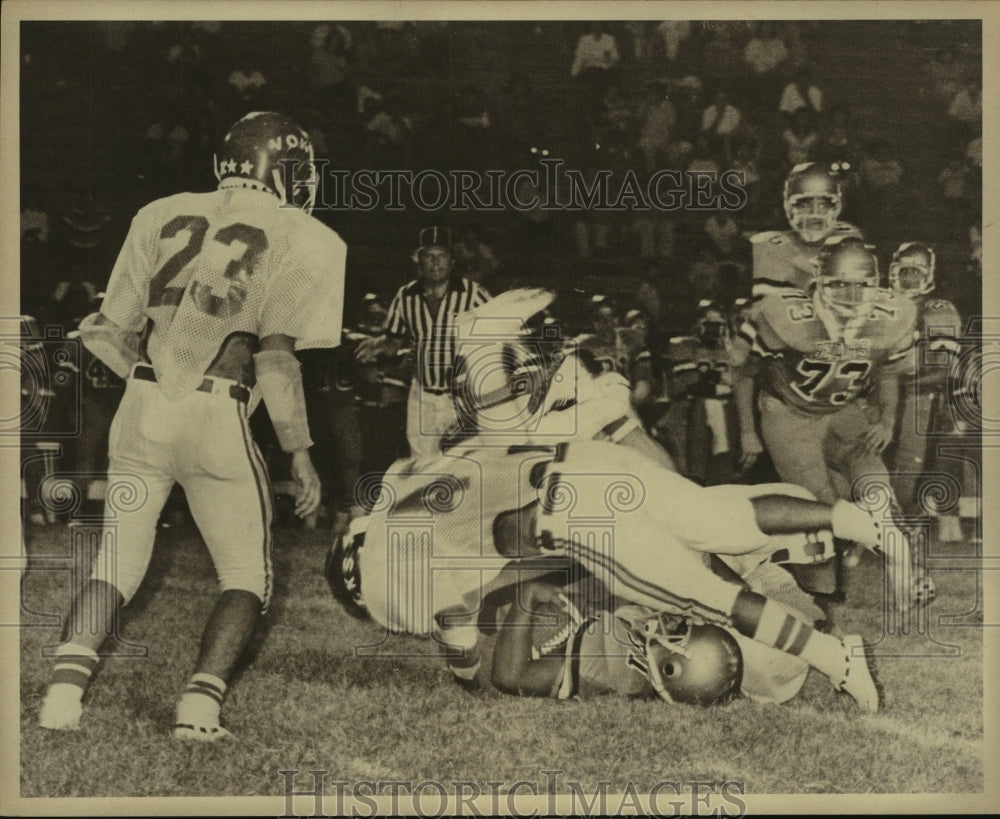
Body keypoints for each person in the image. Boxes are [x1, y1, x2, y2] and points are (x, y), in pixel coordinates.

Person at [38, 111, 346, 741]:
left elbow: (103, 329)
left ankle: (63, 698)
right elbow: (276, 354)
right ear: (286, 170)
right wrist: (300, 451)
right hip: (218, 410)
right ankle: (199, 709)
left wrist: (153, 383)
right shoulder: (304, 234)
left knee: (115, 565)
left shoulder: (160, 211)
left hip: (143, 406)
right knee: (245, 577)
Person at [329, 434, 920, 714]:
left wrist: (460, 669)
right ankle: (862, 521)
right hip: (587, 460)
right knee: (721, 517)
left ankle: (835, 661)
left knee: (708, 596)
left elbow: (464, 644)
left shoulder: (409, 564)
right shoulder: (411, 479)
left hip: (576, 519)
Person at [733, 236, 921, 598]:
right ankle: (835, 567)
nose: (851, 296)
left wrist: (886, 421)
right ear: (820, 282)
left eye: (860, 286)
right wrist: (746, 430)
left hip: (839, 407)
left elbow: (887, 372)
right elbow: (742, 372)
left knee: (867, 462)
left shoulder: (892, 317)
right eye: (841, 285)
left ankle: (892, 543)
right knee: (819, 505)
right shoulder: (783, 314)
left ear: (876, 285)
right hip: (788, 414)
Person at [355, 227, 491, 458]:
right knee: (422, 465)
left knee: (460, 465)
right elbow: (394, 340)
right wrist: (377, 344)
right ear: (419, 259)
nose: (435, 262)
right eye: (429, 255)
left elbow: (497, 334)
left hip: (459, 398)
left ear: (452, 260)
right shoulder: (405, 296)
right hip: (423, 397)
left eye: (442, 255)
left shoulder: (474, 294)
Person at [885, 242, 965, 539]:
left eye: (915, 272)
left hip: (919, 395)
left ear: (929, 276)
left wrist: (893, 378)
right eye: (902, 271)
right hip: (879, 396)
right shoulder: (878, 304)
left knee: (909, 456)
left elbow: (942, 368)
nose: (907, 279)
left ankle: (906, 516)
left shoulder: (937, 309)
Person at [749, 162, 863, 300]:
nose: (814, 213)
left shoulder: (847, 236)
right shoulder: (769, 245)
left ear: (837, 207)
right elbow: (776, 309)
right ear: (788, 206)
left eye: (823, 205)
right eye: (804, 205)